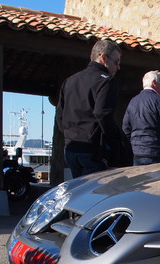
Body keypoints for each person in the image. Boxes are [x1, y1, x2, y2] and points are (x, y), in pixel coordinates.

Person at [56, 39, 122, 178]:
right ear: (103, 58)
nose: (118, 67)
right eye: (116, 62)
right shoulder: (107, 82)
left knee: (79, 194)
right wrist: (116, 141)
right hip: (92, 150)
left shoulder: (69, 81)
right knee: (95, 196)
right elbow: (102, 115)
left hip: (71, 149)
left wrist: (69, 135)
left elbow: (60, 116)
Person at [122, 70, 160, 165]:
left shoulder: (132, 102)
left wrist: (130, 150)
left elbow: (125, 129)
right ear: (154, 83)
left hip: (137, 153)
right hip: (155, 152)